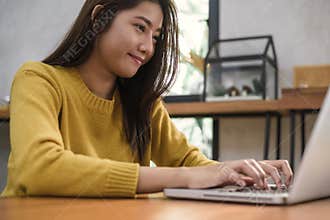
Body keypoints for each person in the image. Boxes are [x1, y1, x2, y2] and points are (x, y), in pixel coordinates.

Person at [1, 0, 292, 198]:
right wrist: (186, 177)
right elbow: (40, 168)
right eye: (140, 27)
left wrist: (239, 173)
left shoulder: (142, 103)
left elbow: (188, 162)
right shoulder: (38, 79)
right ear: (99, 19)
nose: (148, 47)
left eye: (155, 36)